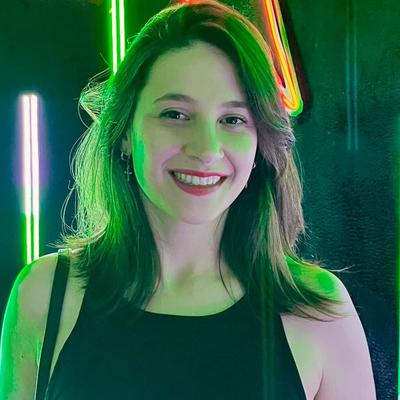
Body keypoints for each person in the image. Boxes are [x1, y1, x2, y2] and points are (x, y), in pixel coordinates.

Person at [0, 0, 376, 399]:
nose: (206, 149)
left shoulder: (319, 311)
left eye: (233, 120)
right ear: (125, 132)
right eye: (175, 114)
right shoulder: (45, 295)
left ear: (260, 142)